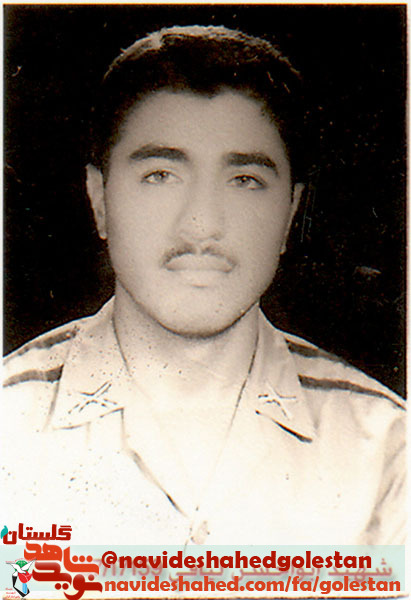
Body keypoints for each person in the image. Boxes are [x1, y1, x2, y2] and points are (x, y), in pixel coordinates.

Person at [2, 25, 405, 545]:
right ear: (99, 198)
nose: (201, 225)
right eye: (160, 175)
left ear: (290, 212)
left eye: (245, 181)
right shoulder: (9, 424)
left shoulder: (387, 450)